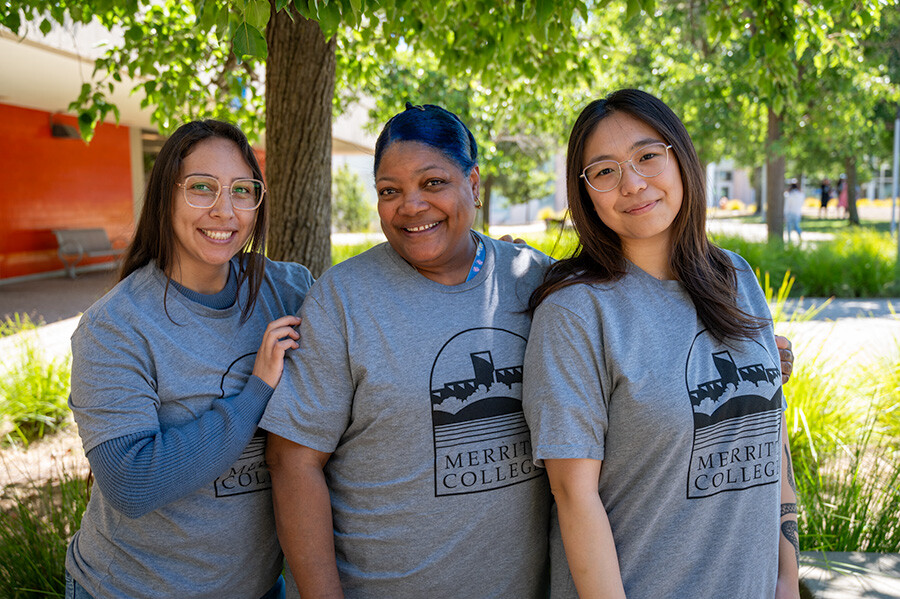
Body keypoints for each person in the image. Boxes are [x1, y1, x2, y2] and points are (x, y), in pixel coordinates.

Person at [260, 102, 796, 597]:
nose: (411, 206)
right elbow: (292, 462)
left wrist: (761, 367)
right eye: (389, 191)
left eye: (433, 182)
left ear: (473, 183)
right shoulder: (344, 299)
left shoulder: (530, 278)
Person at [522, 89, 800, 599]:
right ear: (585, 193)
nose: (632, 183)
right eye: (604, 171)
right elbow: (573, 494)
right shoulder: (575, 312)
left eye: (648, 156)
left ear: (681, 158)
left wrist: (786, 576)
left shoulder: (734, 276)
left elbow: (771, 429)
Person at [65, 120, 314, 599]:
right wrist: (255, 392)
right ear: (166, 197)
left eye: (243, 191)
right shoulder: (116, 327)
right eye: (202, 188)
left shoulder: (286, 289)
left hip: (259, 587)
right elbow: (133, 482)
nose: (225, 210)